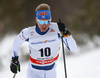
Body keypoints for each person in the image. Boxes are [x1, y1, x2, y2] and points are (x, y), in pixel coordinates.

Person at [10, 3, 77, 78]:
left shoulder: (57, 29)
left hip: (51, 72)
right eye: (41, 21)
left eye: (47, 21)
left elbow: (73, 48)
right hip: (34, 72)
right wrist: (14, 59)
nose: (44, 25)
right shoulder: (29, 32)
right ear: (36, 20)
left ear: (50, 19)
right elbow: (16, 42)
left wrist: (66, 33)